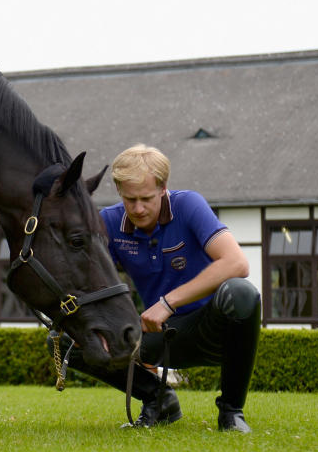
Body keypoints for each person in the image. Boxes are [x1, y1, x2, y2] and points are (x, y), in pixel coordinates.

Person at [58, 144, 261, 432]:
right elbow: (90, 280)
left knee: (242, 293)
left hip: (213, 328)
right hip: (158, 336)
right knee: (67, 341)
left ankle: (231, 413)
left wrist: (167, 303)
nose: (138, 208)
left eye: (146, 198)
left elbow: (237, 263)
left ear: (163, 188)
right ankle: (159, 399)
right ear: (119, 192)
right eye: (130, 199)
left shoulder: (189, 205)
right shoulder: (109, 222)